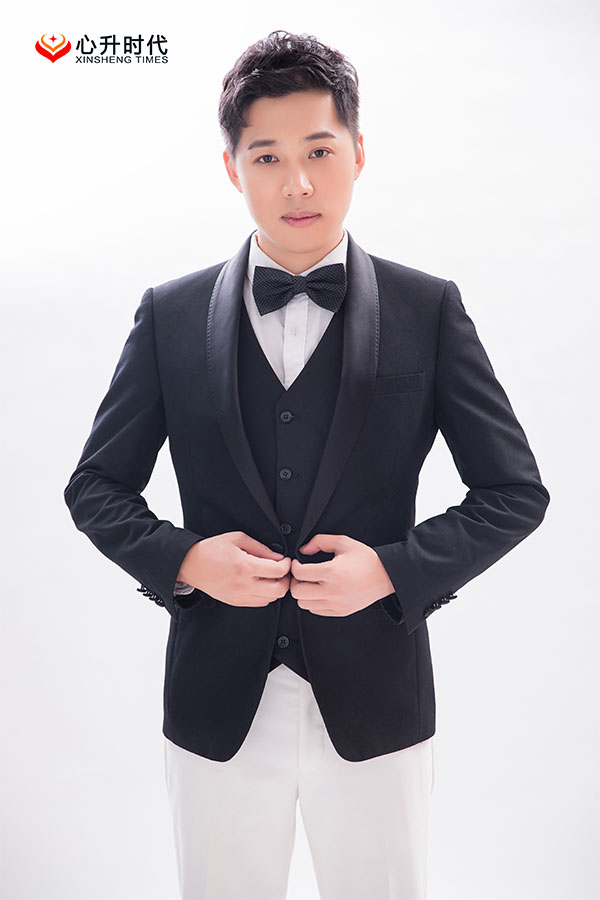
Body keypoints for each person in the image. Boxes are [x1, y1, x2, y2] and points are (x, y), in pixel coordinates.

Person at [63, 29, 550, 900]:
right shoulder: (169, 315)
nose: (297, 183)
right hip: (216, 702)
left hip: (378, 699)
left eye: (319, 151)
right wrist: (186, 560)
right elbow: (95, 486)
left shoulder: (427, 309)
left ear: (358, 153)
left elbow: (513, 491)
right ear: (232, 169)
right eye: (268, 157)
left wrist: (392, 572)